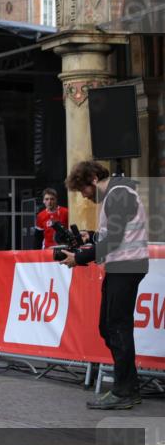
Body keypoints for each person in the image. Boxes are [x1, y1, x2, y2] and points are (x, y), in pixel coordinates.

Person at [61, 161, 148, 410]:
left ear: (92, 178)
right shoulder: (116, 194)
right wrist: (93, 236)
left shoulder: (118, 194)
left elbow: (117, 239)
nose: (84, 197)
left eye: (83, 190)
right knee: (109, 326)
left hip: (127, 266)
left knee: (116, 327)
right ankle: (128, 386)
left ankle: (124, 391)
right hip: (123, 266)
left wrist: (79, 258)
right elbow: (116, 234)